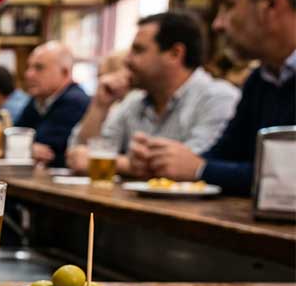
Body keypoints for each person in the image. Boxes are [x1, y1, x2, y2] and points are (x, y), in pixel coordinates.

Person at [130, 0, 296, 195]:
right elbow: (225, 155)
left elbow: (288, 181)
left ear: (271, 2)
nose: (217, 24)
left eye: (228, 6)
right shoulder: (261, 80)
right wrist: (163, 161)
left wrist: (200, 169)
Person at [65, 11, 240, 176]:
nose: (127, 60)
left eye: (138, 50)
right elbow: (78, 154)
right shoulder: (134, 101)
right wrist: (100, 105)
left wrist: (118, 164)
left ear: (175, 54)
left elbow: (190, 166)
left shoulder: (218, 98)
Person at [15, 41, 90, 167]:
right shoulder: (39, 99)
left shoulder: (75, 100)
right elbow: (15, 136)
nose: (28, 74)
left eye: (39, 68)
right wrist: (27, 148)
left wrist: (23, 147)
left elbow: (48, 150)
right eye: (29, 67)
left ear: (65, 72)